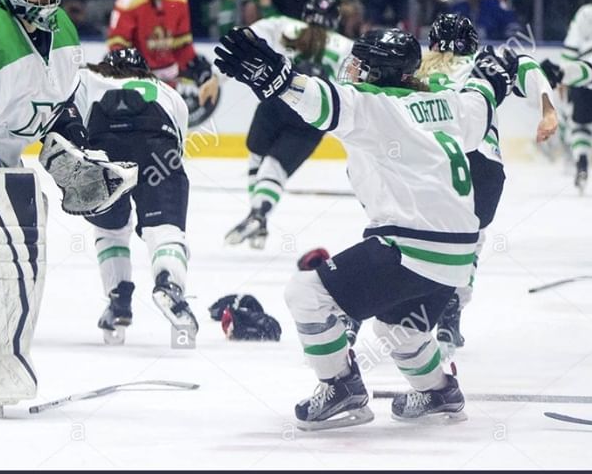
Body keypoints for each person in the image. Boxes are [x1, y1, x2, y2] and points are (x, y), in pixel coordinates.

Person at [214, 25, 518, 429]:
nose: (351, 67)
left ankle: (341, 388)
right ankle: (440, 391)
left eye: (360, 62)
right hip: (459, 255)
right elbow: (480, 103)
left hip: (412, 246)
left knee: (306, 293)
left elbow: (320, 100)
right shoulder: (447, 103)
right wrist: (487, 79)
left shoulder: (371, 104)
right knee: (399, 327)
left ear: (377, 71)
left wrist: (278, 77)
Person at [0, 0, 136, 409]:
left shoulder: (63, 30)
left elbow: (59, 104)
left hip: (2, 156)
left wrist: (75, 151)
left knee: (15, 257)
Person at [417, 13, 557, 353]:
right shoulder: (483, 61)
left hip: (429, 163)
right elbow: (525, 65)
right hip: (484, 168)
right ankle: (451, 309)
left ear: (433, 42)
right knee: (471, 237)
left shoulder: (416, 68)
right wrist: (548, 109)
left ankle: (394, 308)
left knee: (413, 239)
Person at [74, 48, 197, 345]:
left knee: (110, 227)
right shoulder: (167, 92)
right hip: (157, 145)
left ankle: (118, 298)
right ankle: (169, 284)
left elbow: (70, 123)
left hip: (102, 149)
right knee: (164, 230)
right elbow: (178, 141)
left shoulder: (88, 79)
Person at [225, 0, 351, 249]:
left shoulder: (286, 26)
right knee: (275, 167)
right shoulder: (346, 46)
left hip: (277, 100)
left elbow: (243, 36)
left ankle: (257, 218)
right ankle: (259, 214)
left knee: (256, 157)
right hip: (315, 115)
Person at [108, 0, 219, 118]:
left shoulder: (179, 0)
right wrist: (134, 72)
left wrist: (195, 65)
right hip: (137, 80)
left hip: (169, 81)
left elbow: (182, 47)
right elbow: (117, 46)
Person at [540, 2, 592, 192]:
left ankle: (582, 161)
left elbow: (571, 48)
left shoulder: (586, 13)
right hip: (584, 72)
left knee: (579, 124)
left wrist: (562, 74)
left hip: (583, 73)